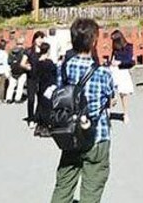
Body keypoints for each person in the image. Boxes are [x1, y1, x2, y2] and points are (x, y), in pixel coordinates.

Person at [51, 18, 116, 203]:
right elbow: (111, 101)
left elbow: (59, 93)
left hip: (70, 133)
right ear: (94, 41)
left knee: (64, 185)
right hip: (97, 134)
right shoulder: (103, 72)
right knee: (92, 188)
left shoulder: (63, 67)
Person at [21, 31, 46, 127]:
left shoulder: (44, 51)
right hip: (31, 77)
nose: (40, 40)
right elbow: (22, 63)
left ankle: (38, 117)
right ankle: (31, 118)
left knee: (41, 98)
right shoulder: (29, 51)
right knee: (31, 99)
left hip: (41, 77)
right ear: (34, 39)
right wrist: (27, 67)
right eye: (38, 38)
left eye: (42, 38)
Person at [109, 30, 134, 124]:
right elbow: (112, 58)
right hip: (113, 70)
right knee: (109, 91)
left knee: (124, 93)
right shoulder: (114, 49)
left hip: (122, 71)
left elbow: (130, 61)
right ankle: (108, 110)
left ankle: (125, 113)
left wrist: (119, 63)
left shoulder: (128, 47)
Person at [34, 42, 59, 135]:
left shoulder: (37, 62)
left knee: (40, 105)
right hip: (49, 86)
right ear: (48, 50)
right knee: (48, 106)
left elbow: (35, 74)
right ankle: (46, 127)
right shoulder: (49, 63)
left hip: (40, 85)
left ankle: (39, 126)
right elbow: (54, 74)